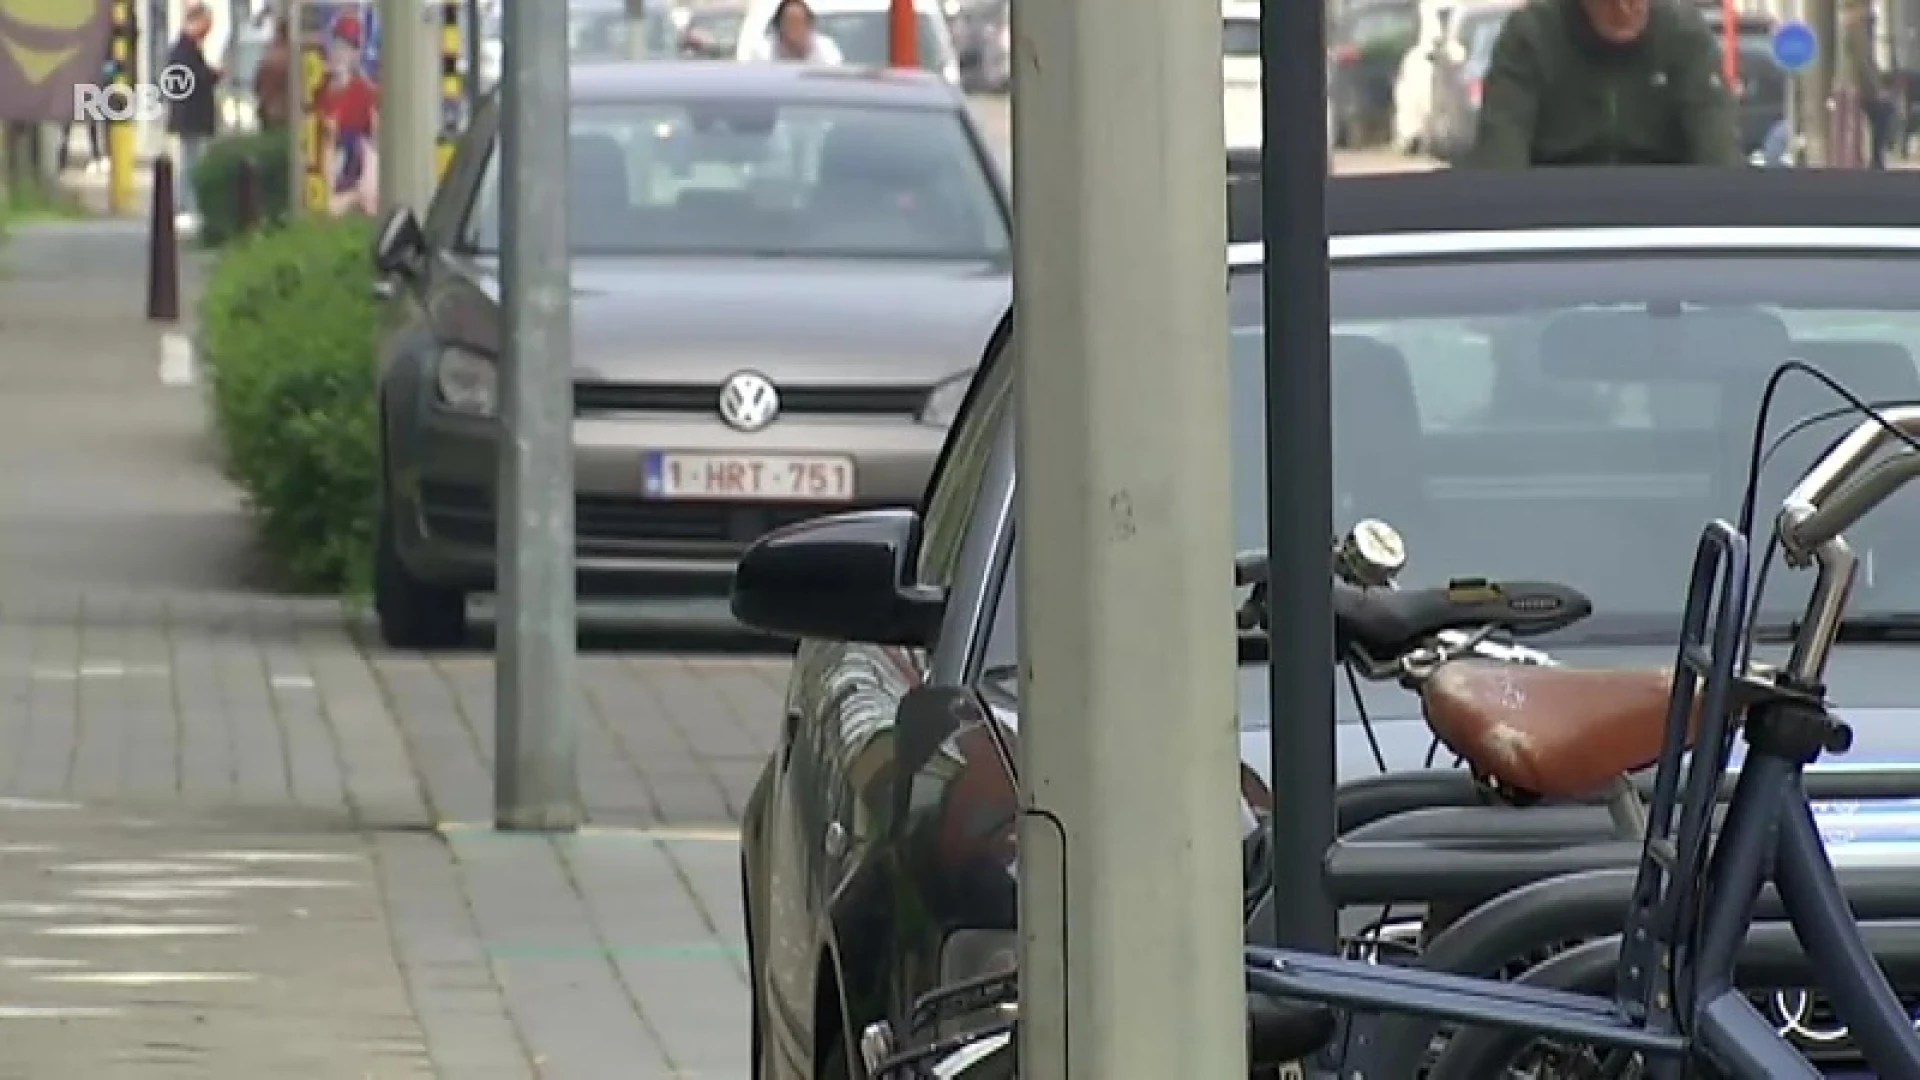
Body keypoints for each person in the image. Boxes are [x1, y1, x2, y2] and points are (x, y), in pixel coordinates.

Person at [1468, 0, 1739, 167]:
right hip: (1554, 221)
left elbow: (1719, 153)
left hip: (1664, 223)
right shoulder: (1531, 37)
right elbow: (1500, 159)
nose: (1623, 9)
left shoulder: (1684, 37)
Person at [165, 2, 222, 229]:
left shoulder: (186, 48)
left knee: (191, 161)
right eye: (207, 25)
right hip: (192, 116)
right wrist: (211, 76)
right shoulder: (184, 50)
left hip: (190, 116)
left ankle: (187, 206)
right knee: (191, 162)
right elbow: (191, 81)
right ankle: (187, 207)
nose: (208, 31)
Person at [741, 0, 844, 64]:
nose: (795, 30)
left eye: (800, 23)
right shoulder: (763, 52)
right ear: (779, 26)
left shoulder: (825, 49)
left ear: (810, 26)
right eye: (790, 23)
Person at [253, 17, 292, 130]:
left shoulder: (270, 53)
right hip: (285, 112)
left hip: (269, 110)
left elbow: (257, 84)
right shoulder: (288, 55)